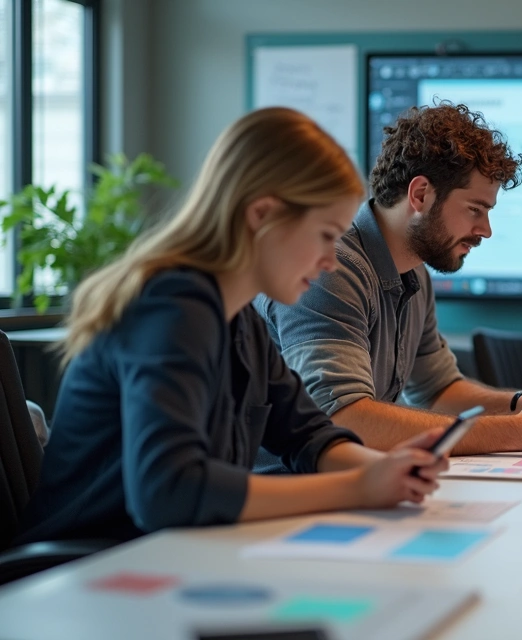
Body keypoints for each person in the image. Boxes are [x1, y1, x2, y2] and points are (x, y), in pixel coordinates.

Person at [16, 108, 447, 544]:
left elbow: (308, 435)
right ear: (262, 215)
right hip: (83, 570)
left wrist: (383, 469)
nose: (329, 260)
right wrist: (358, 487)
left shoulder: (238, 317)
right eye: (323, 236)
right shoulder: (172, 309)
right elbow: (170, 491)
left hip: (168, 555)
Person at [256, 103, 522, 462]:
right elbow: (343, 418)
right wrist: (519, 432)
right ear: (421, 194)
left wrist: (519, 404)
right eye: (475, 209)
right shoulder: (332, 268)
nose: (485, 231)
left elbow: (437, 390)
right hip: (283, 500)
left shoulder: (413, 272)